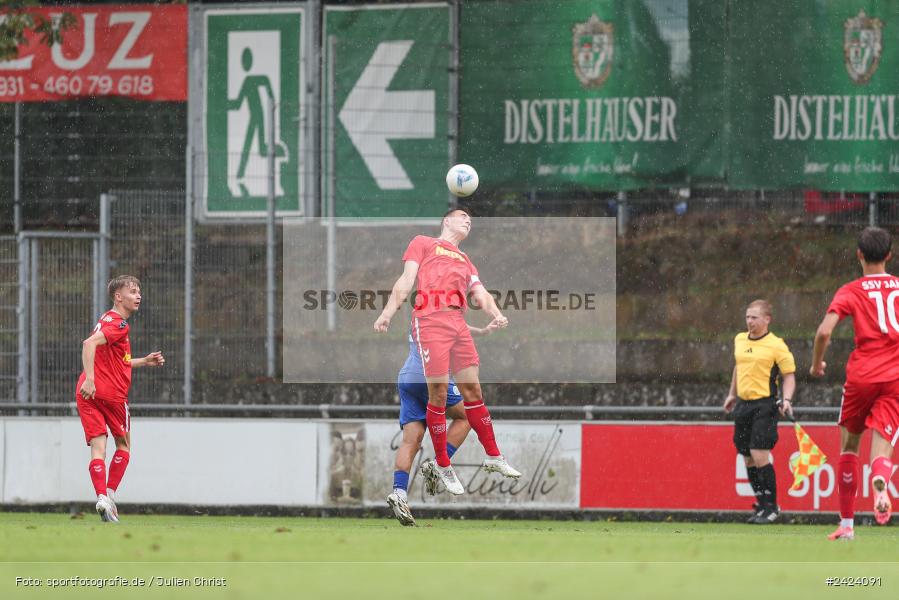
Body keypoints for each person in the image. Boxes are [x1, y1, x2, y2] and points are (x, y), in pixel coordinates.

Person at [374, 207, 522, 496]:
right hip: (429, 321)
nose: (468, 220)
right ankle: (442, 464)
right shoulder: (424, 243)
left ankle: (493, 456)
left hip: (457, 323)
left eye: (471, 219)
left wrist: (496, 313)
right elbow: (406, 280)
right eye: (462, 216)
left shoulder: (467, 261)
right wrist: (387, 313)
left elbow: (480, 293)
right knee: (439, 395)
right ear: (446, 221)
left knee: (473, 394)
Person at [811, 227, 899, 541]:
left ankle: (847, 526)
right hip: (894, 379)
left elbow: (824, 332)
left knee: (849, 446)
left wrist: (816, 362)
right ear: (889, 255)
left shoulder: (850, 290)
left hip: (861, 376)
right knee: (883, 451)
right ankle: (880, 485)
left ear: (858, 254)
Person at [387, 322, 502, 526]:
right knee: (468, 416)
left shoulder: (418, 318)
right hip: (431, 376)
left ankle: (399, 492)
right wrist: (482, 332)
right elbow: (458, 328)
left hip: (407, 377)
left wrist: (482, 331)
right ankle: (439, 463)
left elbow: (456, 326)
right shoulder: (442, 311)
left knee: (411, 440)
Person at [76, 275, 165, 523]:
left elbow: (119, 361)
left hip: (86, 392)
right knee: (123, 446)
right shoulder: (120, 325)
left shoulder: (105, 320)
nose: (138, 296)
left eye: (139, 292)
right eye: (133, 291)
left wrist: (143, 361)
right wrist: (92, 379)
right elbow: (88, 344)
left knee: (98, 448)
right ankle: (110, 497)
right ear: (118, 297)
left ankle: (101, 497)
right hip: (111, 393)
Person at [724, 299, 796, 524]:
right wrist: (732, 394)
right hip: (743, 405)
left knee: (759, 453)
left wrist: (786, 400)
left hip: (765, 405)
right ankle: (762, 504)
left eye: (754, 317)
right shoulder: (739, 339)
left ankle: (772, 506)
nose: (749, 321)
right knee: (747, 457)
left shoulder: (776, 345)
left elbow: (789, 376)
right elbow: (739, 366)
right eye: (747, 317)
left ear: (767, 319)